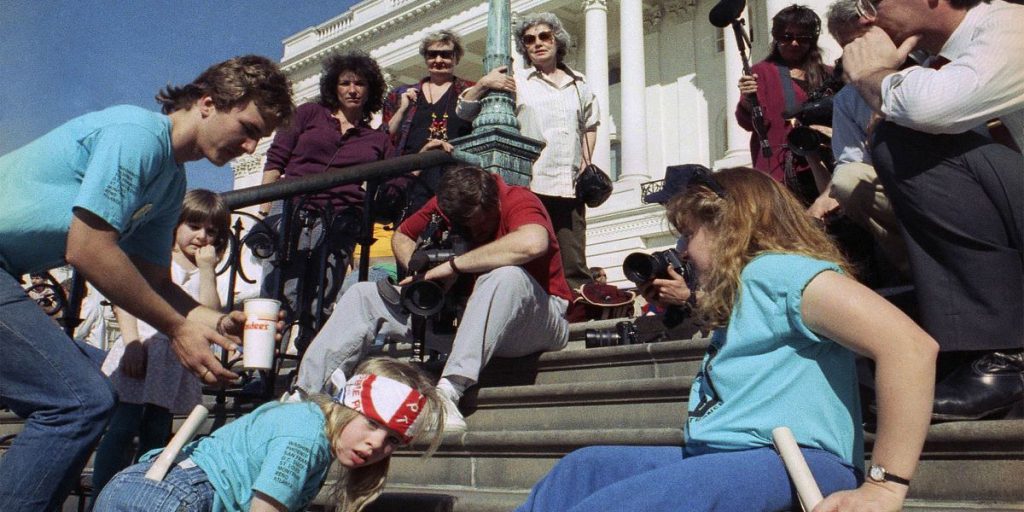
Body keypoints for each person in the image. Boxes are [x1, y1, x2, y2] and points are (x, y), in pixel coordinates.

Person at [514, 167, 938, 511]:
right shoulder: (742, 290)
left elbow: (910, 346)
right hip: (719, 459)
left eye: (690, 234)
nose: (681, 249)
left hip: (796, 462)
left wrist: (885, 487)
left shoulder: (781, 272)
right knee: (583, 469)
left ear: (731, 227)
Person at [0, 55, 293, 511]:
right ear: (209, 103)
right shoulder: (137, 135)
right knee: (80, 401)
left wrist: (215, 321)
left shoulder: (172, 181)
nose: (252, 147)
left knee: (103, 387)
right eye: (249, 128)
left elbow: (153, 277)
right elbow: (89, 249)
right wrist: (179, 329)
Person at [843, 0, 1024, 419]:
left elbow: (931, 108)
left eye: (873, 1)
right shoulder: (945, 55)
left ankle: (1007, 359)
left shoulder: (1009, 24)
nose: (866, 17)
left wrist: (873, 76)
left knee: (907, 140)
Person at [296, 166, 572, 431]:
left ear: (495, 202)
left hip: (536, 322)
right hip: (466, 322)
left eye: (481, 224)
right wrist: (421, 273)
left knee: (506, 275)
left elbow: (533, 242)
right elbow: (403, 234)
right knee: (362, 295)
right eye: (466, 227)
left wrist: (454, 265)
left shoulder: (517, 198)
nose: (475, 233)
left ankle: (448, 392)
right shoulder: (449, 205)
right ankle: (305, 395)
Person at [94, 357, 445, 512]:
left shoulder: (306, 423)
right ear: (347, 406)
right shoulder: (305, 439)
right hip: (172, 499)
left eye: (393, 441)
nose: (377, 445)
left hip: (148, 487)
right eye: (371, 424)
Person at [91, 189, 231, 500]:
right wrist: (131, 343)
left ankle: (140, 495)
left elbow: (209, 311)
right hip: (141, 348)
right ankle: (102, 496)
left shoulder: (206, 269)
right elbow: (124, 299)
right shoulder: (160, 258)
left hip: (172, 363)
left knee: (157, 432)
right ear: (177, 224)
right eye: (194, 227)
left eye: (211, 231)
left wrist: (207, 270)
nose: (202, 237)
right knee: (123, 428)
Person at [256, 51, 391, 352]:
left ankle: (307, 366)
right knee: (279, 292)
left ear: (370, 90)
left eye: (360, 83)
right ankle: (261, 369)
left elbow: (395, 179)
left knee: (321, 299)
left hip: (340, 218)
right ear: (334, 87)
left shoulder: (377, 139)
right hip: (291, 208)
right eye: (345, 83)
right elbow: (277, 158)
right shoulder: (307, 114)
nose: (353, 90)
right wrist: (264, 211)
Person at [457, 12, 600, 289]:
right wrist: (484, 84)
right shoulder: (517, 81)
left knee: (573, 262)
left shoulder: (579, 84)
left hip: (569, 186)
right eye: (529, 40)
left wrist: (586, 164)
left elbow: (590, 125)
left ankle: (575, 322)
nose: (538, 43)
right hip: (530, 183)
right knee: (528, 256)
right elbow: (464, 111)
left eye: (544, 36)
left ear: (557, 41)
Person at [804, 0, 911, 277]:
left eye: (861, 38)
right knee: (848, 181)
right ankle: (912, 269)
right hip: (895, 187)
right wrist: (826, 197)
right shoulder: (848, 100)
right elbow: (851, 161)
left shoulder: (932, 61)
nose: (857, 52)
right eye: (847, 46)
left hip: (954, 177)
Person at [736, 4, 832, 203]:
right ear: (776, 38)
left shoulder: (829, 75)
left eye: (803, 38)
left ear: (812, 40)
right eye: (786, 37)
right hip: (780, 169)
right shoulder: (761, 72)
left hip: (827, 165)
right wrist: (747, 100)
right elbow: (749, 123)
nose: (794, 43)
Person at [382, 30, 475, 214]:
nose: (438, 60)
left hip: (455, 178)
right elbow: (384, 138)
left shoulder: (468, 91)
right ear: (425, 59)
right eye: (432, 54)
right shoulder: (400, 94)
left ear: (456, 58)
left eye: (446, 55)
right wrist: (402, 109)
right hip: (412, 179)